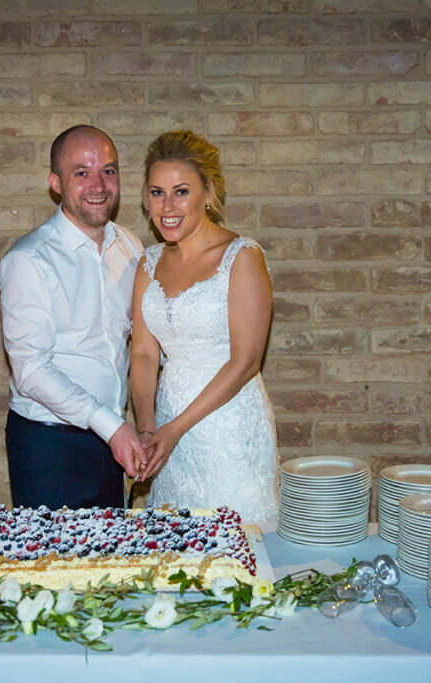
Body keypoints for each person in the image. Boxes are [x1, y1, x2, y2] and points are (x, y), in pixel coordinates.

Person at [129, 130, 279, 522]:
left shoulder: (242, 256)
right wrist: (148, 428)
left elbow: (245, 362)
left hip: (228, 425)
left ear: (209, 192)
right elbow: (144, 353)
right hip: (166, 426)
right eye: (157, 192)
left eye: (181, 191)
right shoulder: (148, 263)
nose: (167, 206)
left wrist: (175, 429)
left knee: (239, 548)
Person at [0, 125, 146, 509]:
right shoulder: (28, 260)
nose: (98, 184)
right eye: (82, 172)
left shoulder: (130, 246)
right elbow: (30, 371)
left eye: (108, 171)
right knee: (53, 565)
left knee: (114, 564)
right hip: (50, 445)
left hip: (114, 437)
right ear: (56, 183)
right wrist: (112, 427)